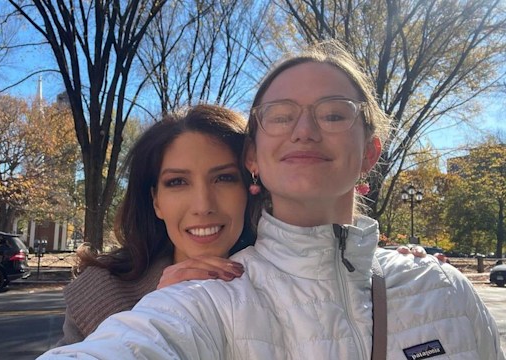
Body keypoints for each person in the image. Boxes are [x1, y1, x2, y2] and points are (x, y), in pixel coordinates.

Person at [40, 42, 503, 359]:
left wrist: (415, 270)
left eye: (334, 113)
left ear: (370, 152)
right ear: (256, 157)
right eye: (281, 116)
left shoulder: (442, 289)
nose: (305, 129)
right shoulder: (197, 302)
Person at [56, 104, 255, 345]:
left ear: (250, 189)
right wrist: (155, 315)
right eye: (178, 182)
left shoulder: (289, 284)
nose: (203, 206)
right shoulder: (100, 295)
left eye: (224, 178)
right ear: (156, 201)